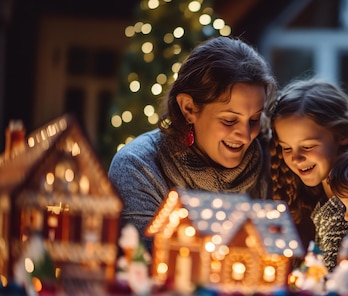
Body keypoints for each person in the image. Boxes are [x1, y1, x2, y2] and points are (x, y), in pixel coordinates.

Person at [108, 36, 277, 250]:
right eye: (229, 120)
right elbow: (143, 263)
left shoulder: (272, 159)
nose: (245, 135)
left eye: (254, 119)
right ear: (189, 108)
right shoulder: (138, 166)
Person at [268, 78, 348, 270]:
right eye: (286, 148)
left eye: (307, 146)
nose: (296, 159)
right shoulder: (297, 198)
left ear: (344, 134)